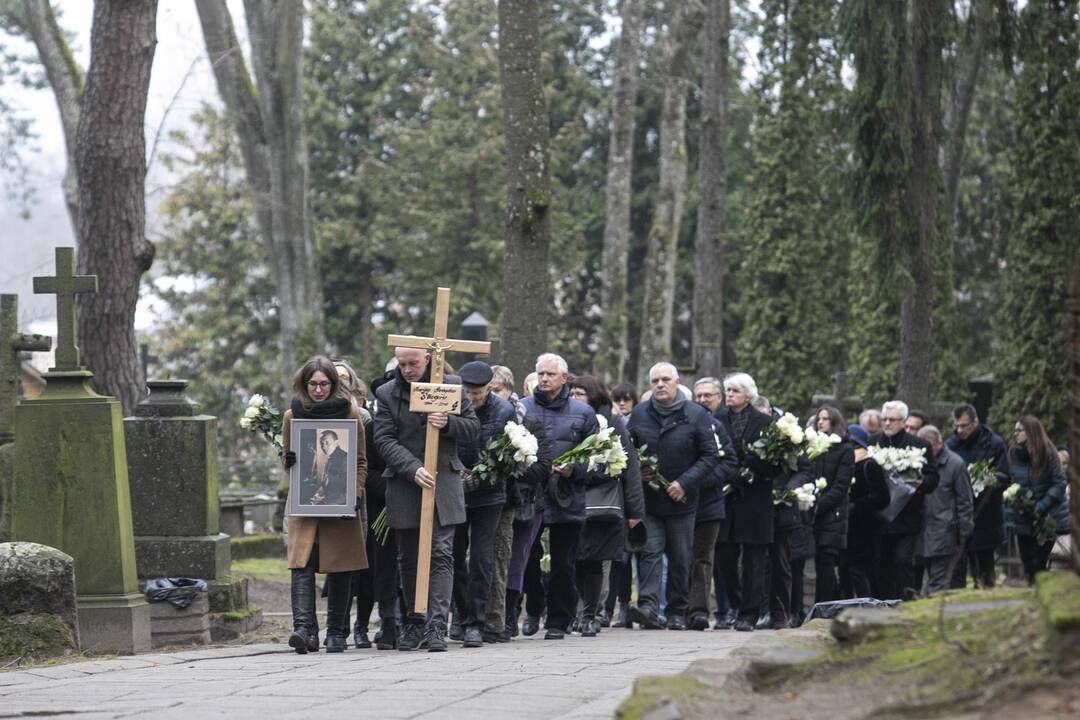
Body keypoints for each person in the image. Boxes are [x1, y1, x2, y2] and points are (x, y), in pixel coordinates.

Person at [373, 346, 480, 652]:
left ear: (428, 360)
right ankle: (414, 619)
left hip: (443, 481)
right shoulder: (386, 393)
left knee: (441, 553)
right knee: (407, 556)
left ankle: (436, 624)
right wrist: (412, 468)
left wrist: (448, 423)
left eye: (413, 363)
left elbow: (473, 429)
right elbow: (383, 439)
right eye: (402, 364)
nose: (407, 369)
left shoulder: (452, 386)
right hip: (407, 484)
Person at [281, 356, 368, 654]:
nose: (318, 390)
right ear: (304, 385)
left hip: (340, 505)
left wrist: (353, 495)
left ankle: (336, 632)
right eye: (313, 384)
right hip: (304, 506)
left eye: (324, 384)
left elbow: (360, 462)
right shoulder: (293, 415)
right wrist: (287, 460)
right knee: (301, 563)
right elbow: (287, 462)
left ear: (334, 385)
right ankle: (304, 630)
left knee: (340, 564)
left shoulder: (351, 414)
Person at [626, 363, 720, 631]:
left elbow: (710, 455)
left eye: (665, 379)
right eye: (655, 380)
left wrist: (685, 483)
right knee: (649, 553)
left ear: (677, 382)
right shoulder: (641, 413)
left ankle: (678, 610)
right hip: (650, 501)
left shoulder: (696, 414)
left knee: (680, 559)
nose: (660, 384)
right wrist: (638, 469)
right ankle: (648, 608)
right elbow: (629, 449)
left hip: (682, 502)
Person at [519, 353, 599, 639]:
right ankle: (534, 607)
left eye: (550, 374)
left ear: (564, 378)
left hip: (568, 496)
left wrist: (573, 470)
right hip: (531, 495)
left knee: (564, 564)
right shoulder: (522, 408)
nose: (543, 379)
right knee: (527, 560)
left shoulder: (583, 413)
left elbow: (596, 461)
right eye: (540, 373)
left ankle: (558, 621)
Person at [569, 375, 644, 636]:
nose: (575, 398)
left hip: (603, 505)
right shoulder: (570, 418)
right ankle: (579, 612)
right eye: (572, 393)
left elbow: (629, 468)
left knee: (595, 560)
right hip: (571, 500)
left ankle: (592, 613)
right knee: (576, 559)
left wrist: (635, 511)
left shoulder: (611, 424)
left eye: (580, 393)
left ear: (593, 395)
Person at [451, 361, 517, 647]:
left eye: (476, 393)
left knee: (481, 558)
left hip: (490, 495)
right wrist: (458, 470)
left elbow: (510, 453)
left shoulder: (503, 411)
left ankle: (476, 622)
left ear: (489, 388)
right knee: (453, 556)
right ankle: (462, 616)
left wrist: (482, 475)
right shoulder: (451, 404)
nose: (471, 398)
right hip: (455, 491)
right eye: (467, 392)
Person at [713, 372, 783, 632]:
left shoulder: (765, 422)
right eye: (728, 390)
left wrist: (755, 464)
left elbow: (777, 466)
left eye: (734, 391)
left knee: (755, 561)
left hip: (755, 500)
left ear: (748, 395)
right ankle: (736, 603)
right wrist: (731, 473)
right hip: (725, 498)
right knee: (724, 557)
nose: (729, 394)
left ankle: (748, 614)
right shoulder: (716, 419)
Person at [876, 400, 940, 600]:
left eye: (892, 420)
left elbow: (932, 478)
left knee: (903, 561)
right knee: (880, 564)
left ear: (903, 421)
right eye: (884, 419)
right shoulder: (873, 443)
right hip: (878, 518)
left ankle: (904, 605)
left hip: (907, 518)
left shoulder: (919, 446)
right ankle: (883, 605)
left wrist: (919, 483)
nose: (887, 423)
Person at [688, 382, 738, 631]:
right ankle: (676, 608)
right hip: (682, 502)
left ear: (719, 397)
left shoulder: (718, 426)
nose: (703, 399)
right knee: (680, 557)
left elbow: (729, 463)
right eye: (698, 395)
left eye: (708, 395)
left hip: (709, 503)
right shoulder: (687, 423)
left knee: (702, 558)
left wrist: (699, 480)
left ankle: (699, 610)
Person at [794, 406, 854, 605]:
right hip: (809, 511)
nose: (820, 422)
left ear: (835, 422)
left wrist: (819, 504)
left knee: (826, 562)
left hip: (832, 515)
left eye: (825, 419)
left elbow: (841, 485)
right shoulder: (811, 445)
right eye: (819, 418)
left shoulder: (844, 449)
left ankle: (824, 605)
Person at [945, 404, 1008, 588]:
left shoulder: (994, 443)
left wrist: (983, 484)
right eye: (956, 426)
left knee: (984, 569)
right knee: (957, 570)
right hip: (959, 515)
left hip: (986, 514)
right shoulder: (951, 444)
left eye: (964, 425)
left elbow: (1004, 476)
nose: (959, 430)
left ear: (975, 422)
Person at [1008, 415, 1068, 584]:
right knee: (1027, 563)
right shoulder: (1014, 453)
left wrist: (1041, 506)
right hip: (1024, 518)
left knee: (1038, 564)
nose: (1015, 434)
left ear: (1031, 432)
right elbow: (1012, 480)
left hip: (1046, 518)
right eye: (1015, 430)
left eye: (1020, 430)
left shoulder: (1048, 453)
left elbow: (1059, 483)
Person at [916, 425, 974, 595]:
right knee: (926, 582)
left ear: (938, 443)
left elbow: (965, 501)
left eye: (926, 447)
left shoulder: (955, 464)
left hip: (945, 532)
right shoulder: (919, 463)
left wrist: (963, 533)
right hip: (923, 532)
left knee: (938, 583)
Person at [840, 424, 889, 598]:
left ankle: (865, 605)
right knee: (846, 569)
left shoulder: (869, 465)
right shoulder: (846, 464)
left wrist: (856, 506)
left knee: (859, 570)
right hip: (848, 527)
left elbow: (883, 497)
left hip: (864, 527)